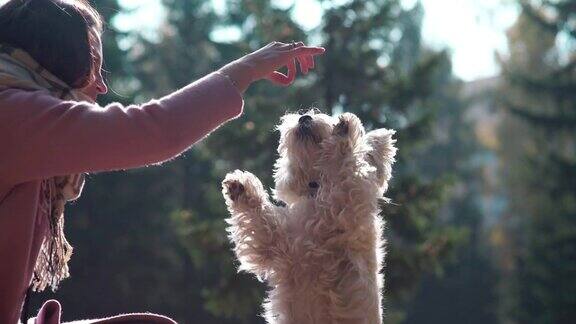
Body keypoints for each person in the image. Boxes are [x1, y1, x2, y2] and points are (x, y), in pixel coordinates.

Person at [0, 0, 325, 323]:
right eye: (92, 65)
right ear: (56, 59)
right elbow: (155, 131)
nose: (101, 85)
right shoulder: (11, 115)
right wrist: (246, 70)